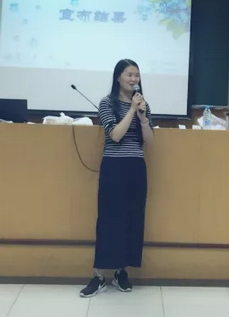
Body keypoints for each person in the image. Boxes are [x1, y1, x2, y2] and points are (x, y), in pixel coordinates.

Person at [80, 59, 154, 298]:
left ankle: (122, 272)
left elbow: (150, 141)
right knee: (109, 220)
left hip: (136, 166)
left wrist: (143, 117)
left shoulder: (143, 104)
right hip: (114, 166)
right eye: (129, 75)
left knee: (132, 219)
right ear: (118, 77)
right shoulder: (107, 103)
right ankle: (99, 276)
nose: (134, 79)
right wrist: (131, 110)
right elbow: (115, 135)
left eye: (137, 75)